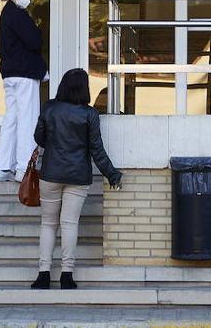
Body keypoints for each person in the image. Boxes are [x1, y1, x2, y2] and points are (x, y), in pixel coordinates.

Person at [30, 68, 122, 290]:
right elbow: (96, 150)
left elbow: (39, 138)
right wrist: (112, 173)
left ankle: (43, 274)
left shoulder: (49, 108)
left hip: (50, 173)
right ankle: (66, 275)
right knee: (69, 224)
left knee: (48, 224)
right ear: (84, 89)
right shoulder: (89, 114)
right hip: (78, 176)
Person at [0, 0, 46, 183]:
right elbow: (34, 41)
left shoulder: (7, 14)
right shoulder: (18, 14)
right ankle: (25, 167)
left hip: (10, 74)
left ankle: (3, 167)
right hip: (24, 74)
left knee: (11, 119)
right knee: (28, 119)